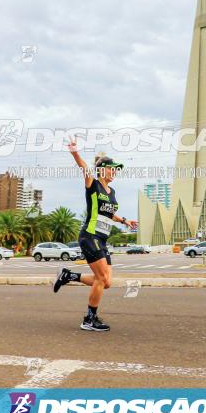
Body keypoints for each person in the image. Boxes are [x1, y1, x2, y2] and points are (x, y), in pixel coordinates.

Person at [53, 138, 137, 331]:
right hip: (90, 236)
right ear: (102, 170)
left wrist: (125, 221)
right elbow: (83, 168)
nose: (114, 171)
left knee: (106, 282)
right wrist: (74, 152)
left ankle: (68, 275)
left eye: (116, 169)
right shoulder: (93, 184)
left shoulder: (112, 191)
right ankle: (89, 319)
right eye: (112, 168)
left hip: (102, 239)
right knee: (101, 278)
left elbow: (108, 213)